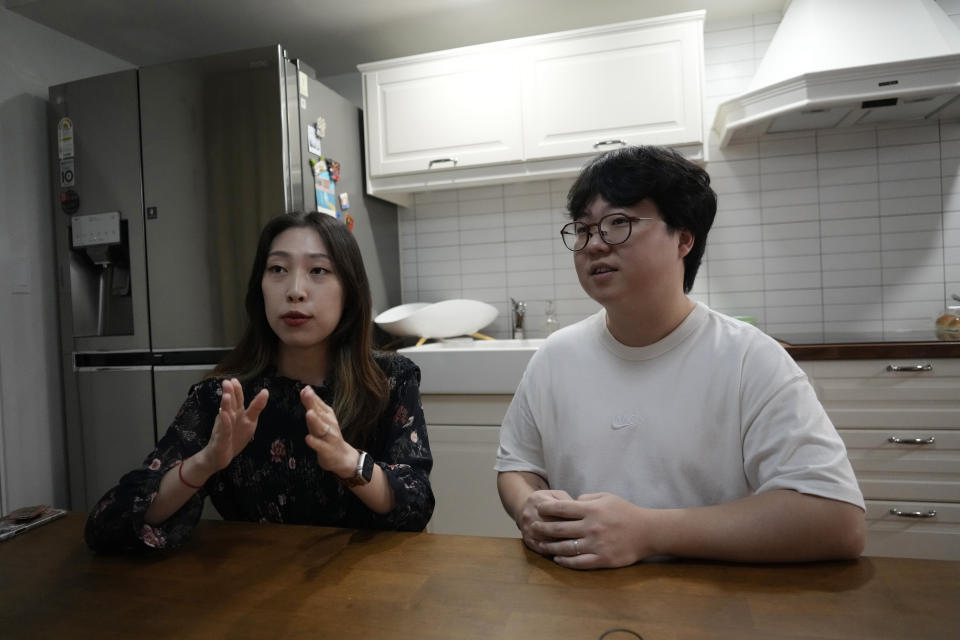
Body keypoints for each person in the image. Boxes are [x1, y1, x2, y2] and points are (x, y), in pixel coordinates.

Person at [495, 145, 865, 569]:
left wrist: (648, 532)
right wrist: (529, 506)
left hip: (713, 603)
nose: (594, 244)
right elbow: (518, 467)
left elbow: (837, 520)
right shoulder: (555, 357)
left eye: (618, 223)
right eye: (582, 229)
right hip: (579, 598)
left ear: (684, 238)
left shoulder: (749, 358)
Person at [86, 212, 434, 552]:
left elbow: (416, 505)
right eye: (278, 270)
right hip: (249, 588)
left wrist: (349, 461)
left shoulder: (388, 380)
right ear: (260, 289)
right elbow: (108, 525)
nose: (295, 291)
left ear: (350, 293)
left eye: (319, 271)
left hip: (363, 586)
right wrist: (205, 462)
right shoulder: (224, 397)